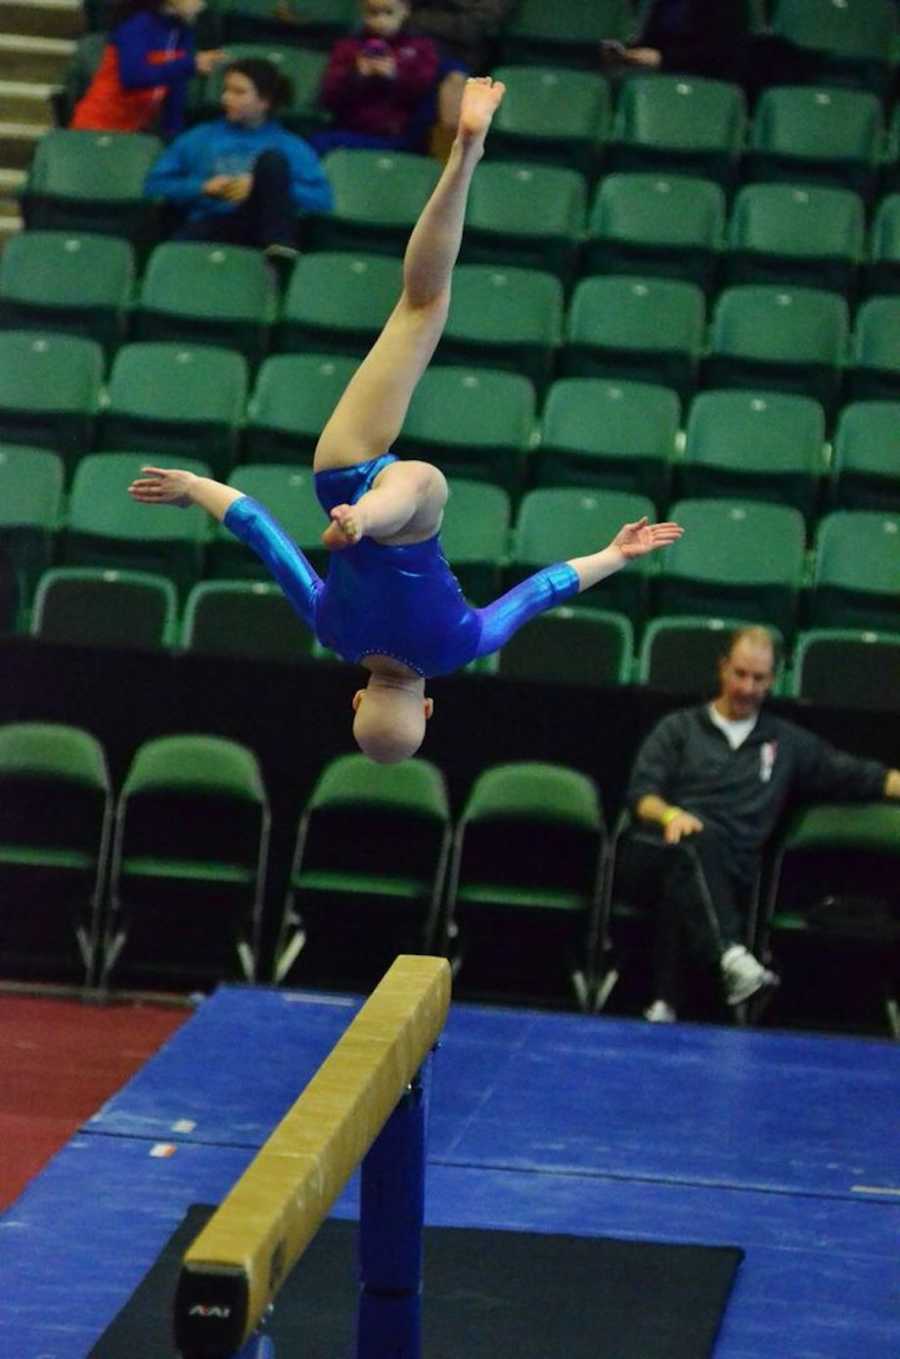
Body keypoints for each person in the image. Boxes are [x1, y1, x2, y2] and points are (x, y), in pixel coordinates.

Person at [129, 77, 683, 765]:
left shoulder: (459, 648)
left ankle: (466, 158)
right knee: (418, 308)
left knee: (422, 415)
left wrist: (616, 554)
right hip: (343, 475)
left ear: (426, 706)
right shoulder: (334, 633)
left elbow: (544, 589)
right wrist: (192, 488)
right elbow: (255, 526)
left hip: (414, 503)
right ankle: (368, 516)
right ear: (359, 699)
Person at [621, 626, 900, 1023]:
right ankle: (733, 956)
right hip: (658, 845)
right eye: (740, 674)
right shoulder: (678, 728)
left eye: (759, 678)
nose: (747, 687)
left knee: (685, 880)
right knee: (690, 847)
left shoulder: (785, 743)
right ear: (723, 669)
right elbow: (641, 795)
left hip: (729, 867)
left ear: (774, 680)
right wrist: (670, 814)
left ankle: (666, 1004)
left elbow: (853, 774)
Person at [144, 57, 333, 257]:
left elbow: (321, 200)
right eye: (226, 90)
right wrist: (203, 187)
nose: (226, 98)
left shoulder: (290, 146)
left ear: (264, 101)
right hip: (213, 222)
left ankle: (279, 249)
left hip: (260, 231)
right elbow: (155, 185)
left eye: (238, 92)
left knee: (272, 162)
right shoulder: (200, 136)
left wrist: (260, 187)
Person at [71, 0, 226, 140]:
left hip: (133, 133)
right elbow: (133, 76)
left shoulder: (181, 32)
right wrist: (188, 65)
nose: (201, 5)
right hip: (96, 126)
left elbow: (175, 88)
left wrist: (173, 138)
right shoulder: (137, 24)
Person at [311, 0, 443, 154]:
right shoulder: (348, 47)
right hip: (350, 130)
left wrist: (395, 76)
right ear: (362, 11)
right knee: (317, 144)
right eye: (373, 13)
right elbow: (327, 96)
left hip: (399, 136)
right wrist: (355, 75)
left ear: (405, 11)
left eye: (388, 13)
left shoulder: (421, 48)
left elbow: (425, 93)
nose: (381, 21)